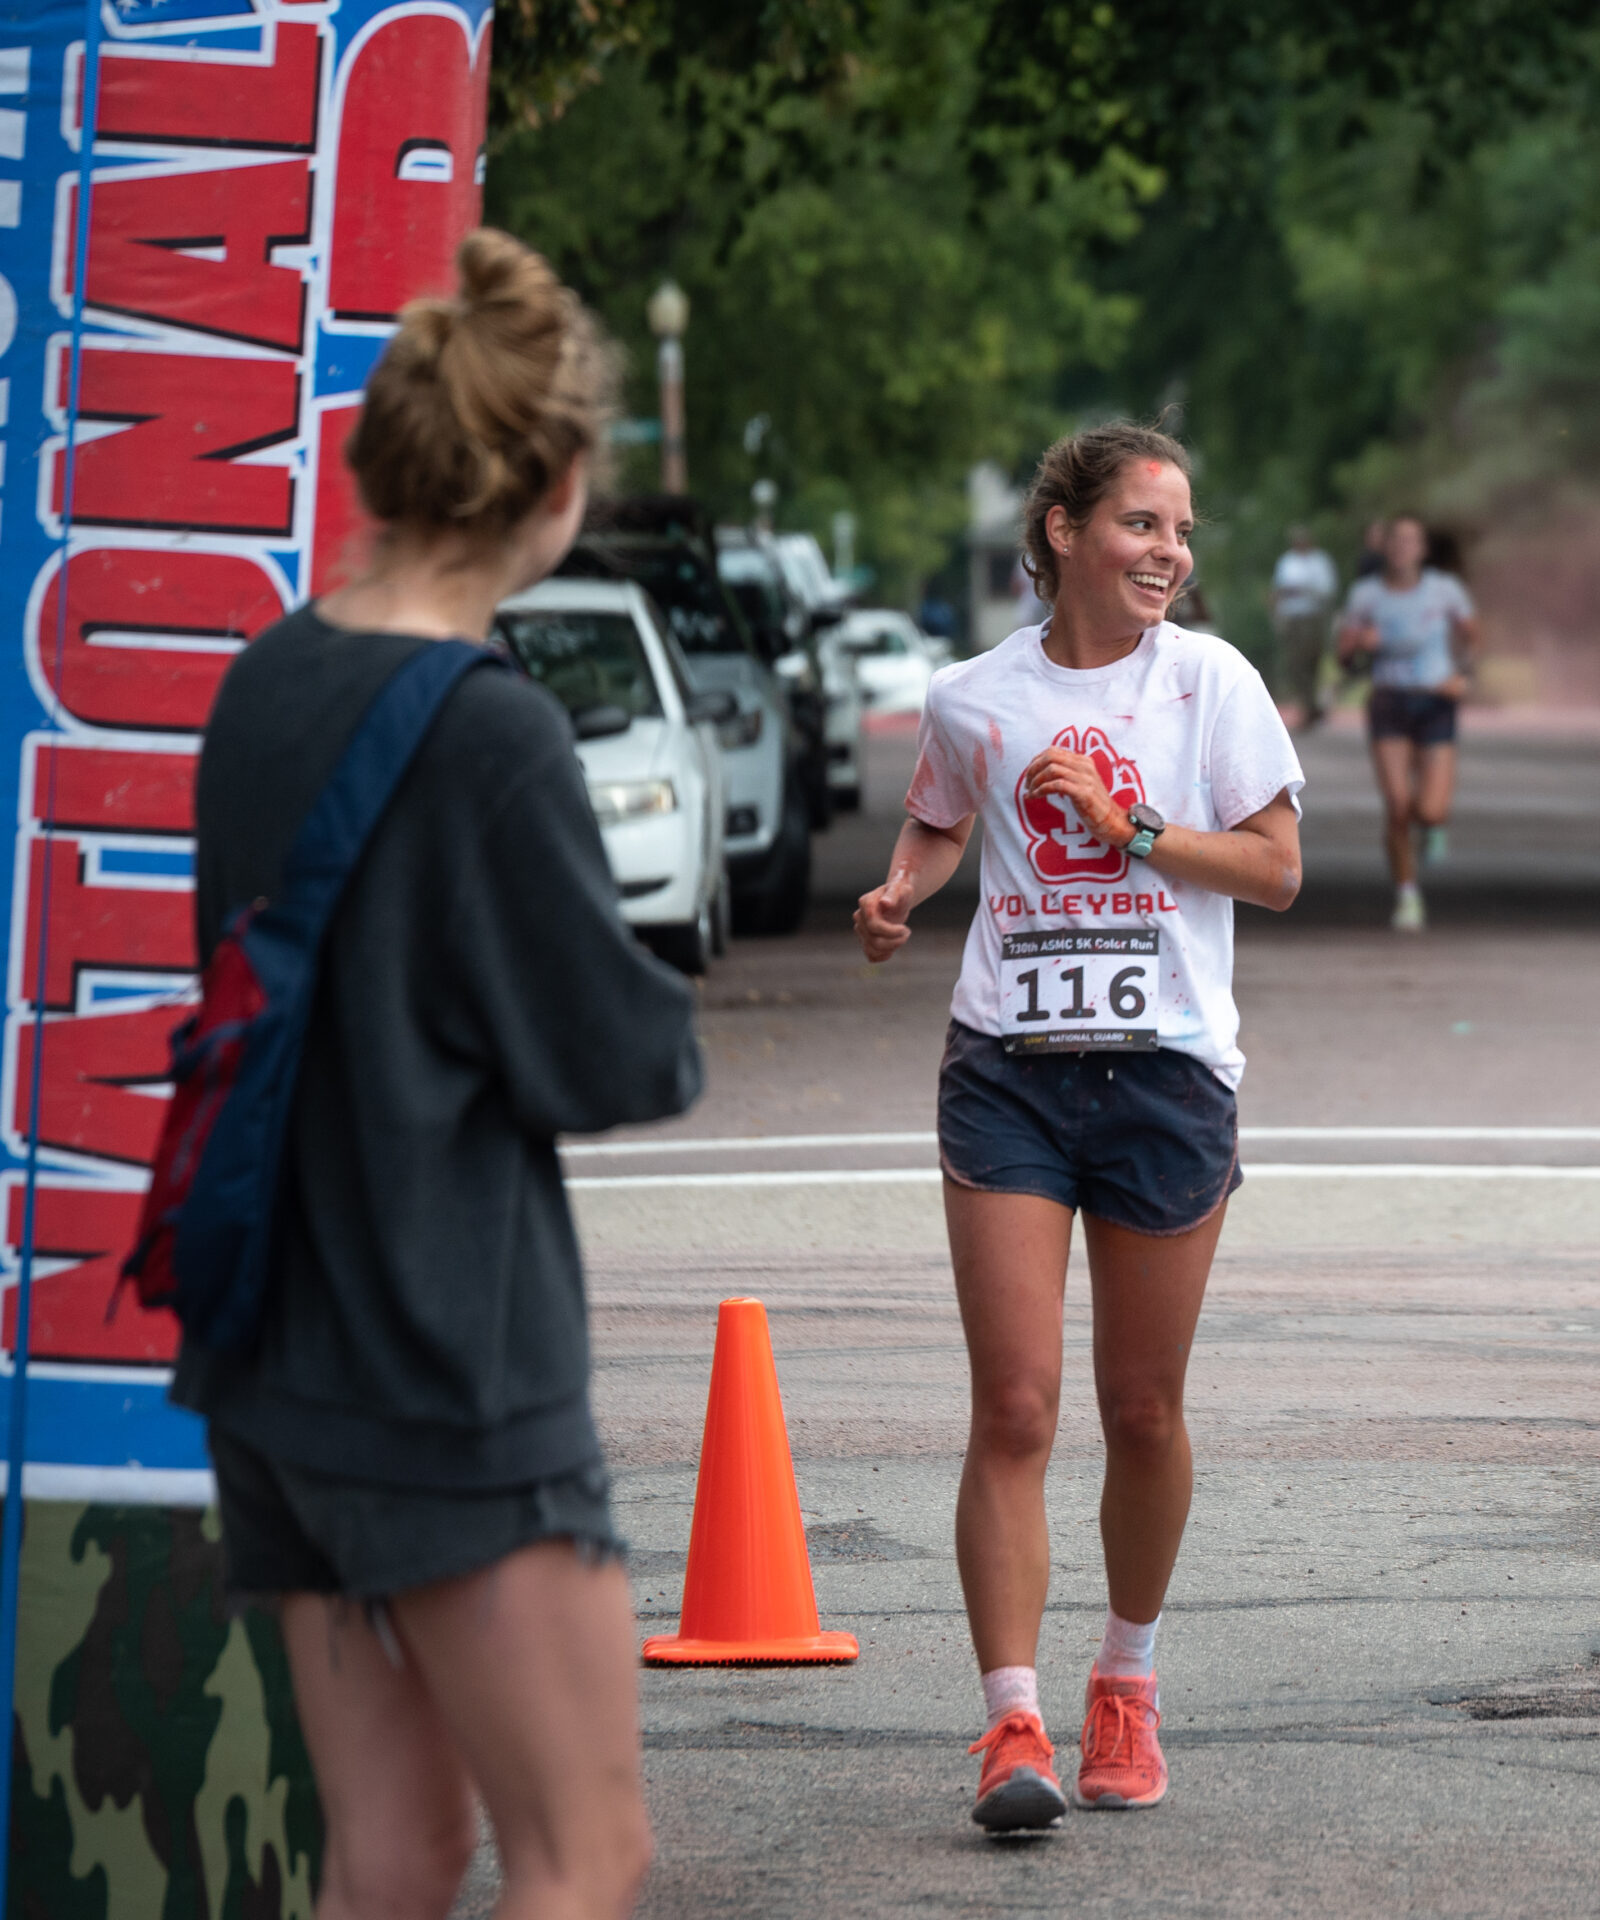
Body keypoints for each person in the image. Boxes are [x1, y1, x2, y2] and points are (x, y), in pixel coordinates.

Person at [181, 230, 700, 1917]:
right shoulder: (489, 730)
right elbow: (613, 1055)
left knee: (391, 1858)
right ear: (557, 485)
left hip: (277, 1371)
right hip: (451, 1377)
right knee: (580, 1854)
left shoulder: (265, 683)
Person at [855, 421, 1304, 1832]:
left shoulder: (1212, 684)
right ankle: (1011, 1723)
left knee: (1142, 1407)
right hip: (1011, 1069)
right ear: (1064, 531)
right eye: (1142, 526)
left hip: (1166, 1072)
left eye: (1182, 531)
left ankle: (1127, 1681)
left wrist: (1130, 826)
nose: (1170, 552)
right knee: (1017, 1403)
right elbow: (944, 817)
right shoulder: (973, 695)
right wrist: (900, 893)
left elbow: (1279, 869)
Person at [1337, 513, 1479, 932]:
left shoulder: (1444, 590)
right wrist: (1359, 643)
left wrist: (1463, 675)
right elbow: (1344, 655)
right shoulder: (1366, 595)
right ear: (1386, 548)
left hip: (1436, 701)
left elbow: (1472, 634)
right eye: (1395, 539)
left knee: (1431, 810)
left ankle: (1433, 828)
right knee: (1398, 806)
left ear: (1422, 549)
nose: (1402, 547)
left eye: (1411, 540)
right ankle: (1407, 894)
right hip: (1389, 702)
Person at [1267, 526, 1340, 729]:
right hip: (1292, 618)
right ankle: (1308, 706)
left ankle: (1313, 705)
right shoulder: (1287, 561)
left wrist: (1303, 589)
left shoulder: (1319, 561)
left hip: (1312, 617)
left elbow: (1327, 590)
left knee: (1312, 660)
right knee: (1295, 663)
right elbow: (1278, 590)